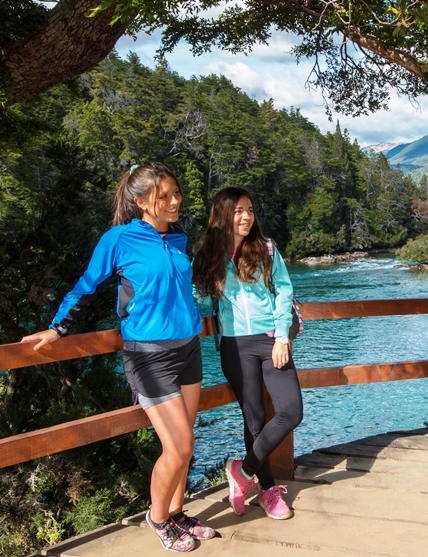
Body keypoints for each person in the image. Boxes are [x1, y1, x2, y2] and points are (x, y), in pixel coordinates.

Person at [21, 163, 215, 552]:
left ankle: (177, 513)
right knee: (177, 446)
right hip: (148, 356)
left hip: (188, 349)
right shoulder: (119, 239)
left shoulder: (177, 239)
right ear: (141, 201)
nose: (175, 200)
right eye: (165, 196)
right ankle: (157, 518)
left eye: (177, 193)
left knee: (185, 444)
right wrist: (58, 328)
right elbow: (85, 285)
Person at [192, 186, 302, 520]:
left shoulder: (266, 249)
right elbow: (197, 300)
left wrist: (282, 336)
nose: (246, 216)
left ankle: (241, 472)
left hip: (271, 341)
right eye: (239, 210)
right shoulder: (209, 256)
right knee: (253, 418)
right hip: (235, 345)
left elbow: (283, 292)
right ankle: (267, 490)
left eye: (250, 210)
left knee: (291, 411)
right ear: (223, 214)